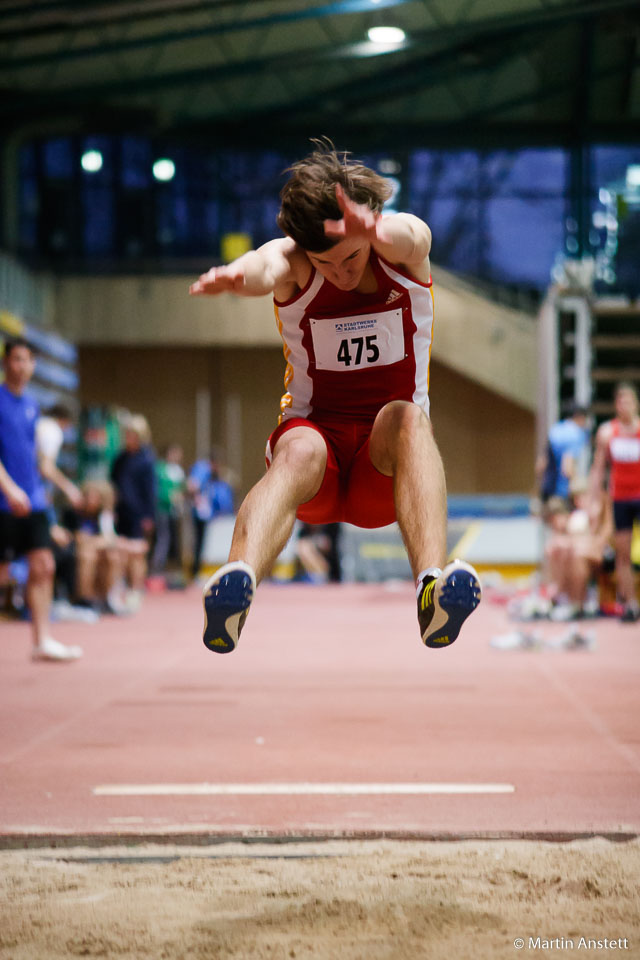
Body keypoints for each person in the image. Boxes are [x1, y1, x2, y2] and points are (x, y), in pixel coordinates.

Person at [189, 141, 481, 654]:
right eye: (327, 264)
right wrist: (240, 278)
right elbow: (266, 264)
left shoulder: (401, 249)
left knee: (408, 417)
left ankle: (431, 591)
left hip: (381, 467)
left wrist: (372, 231)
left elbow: (413, 235)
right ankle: (236, 582)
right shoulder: (296, 261)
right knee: (299, 447)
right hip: (316, 457)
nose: (342, 273)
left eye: (351, 256)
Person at [0, 338, 81, 660]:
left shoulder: (32, 406)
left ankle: (42, 640)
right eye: (16, 359)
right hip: (4, 502)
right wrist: (8, 488)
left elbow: (36, 462)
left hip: (32, 502)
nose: (22, 366)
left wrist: (48, 496)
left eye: (28, 360)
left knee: (44, 565)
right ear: (6, 363)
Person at [589, 382, 640, 623]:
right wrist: (594, 500)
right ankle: (630, 603)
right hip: (620, 498)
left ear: (636, 404)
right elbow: (598, 469)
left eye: (628, 401)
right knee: (623, 554)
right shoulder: (607, 433)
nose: (624, 406)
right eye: (620, 402)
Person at [110, 414, 156, 611]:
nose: (129, 438)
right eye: (127, 434)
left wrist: (149, 516)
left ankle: (136, 590)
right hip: (121, 512)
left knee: (137, 553)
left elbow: (151, 489)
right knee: (121, 550)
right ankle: (121, 588)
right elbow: (112, 484)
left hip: (139, 513)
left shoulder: (146, 459)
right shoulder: (120, 458)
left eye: (132, 434)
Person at [187, 447, 234, 579]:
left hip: (202, 512)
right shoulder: (203, 468)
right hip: (199, 512)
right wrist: (198, 500)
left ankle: (195, 571)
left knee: (200, 542)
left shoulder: (205, 471)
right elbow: (192, 485)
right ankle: (194, 572)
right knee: (198, 542)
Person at [537, 402, 590, 505]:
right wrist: (578, 486)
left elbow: (540, 465)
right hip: (562, 493)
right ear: (579, 417)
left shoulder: (555, 430)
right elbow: (567, 467)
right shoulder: (576, 433)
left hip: (547, 490)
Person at [151, 443, 186, 575]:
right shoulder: (160, 469)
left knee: (175, 540)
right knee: (163, 538)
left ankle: (173, 567)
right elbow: (158, 490)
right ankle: (157, 566)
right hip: (162, 509)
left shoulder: (178, 471)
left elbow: (182, 489)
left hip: (175, 510)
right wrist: (169, 497)